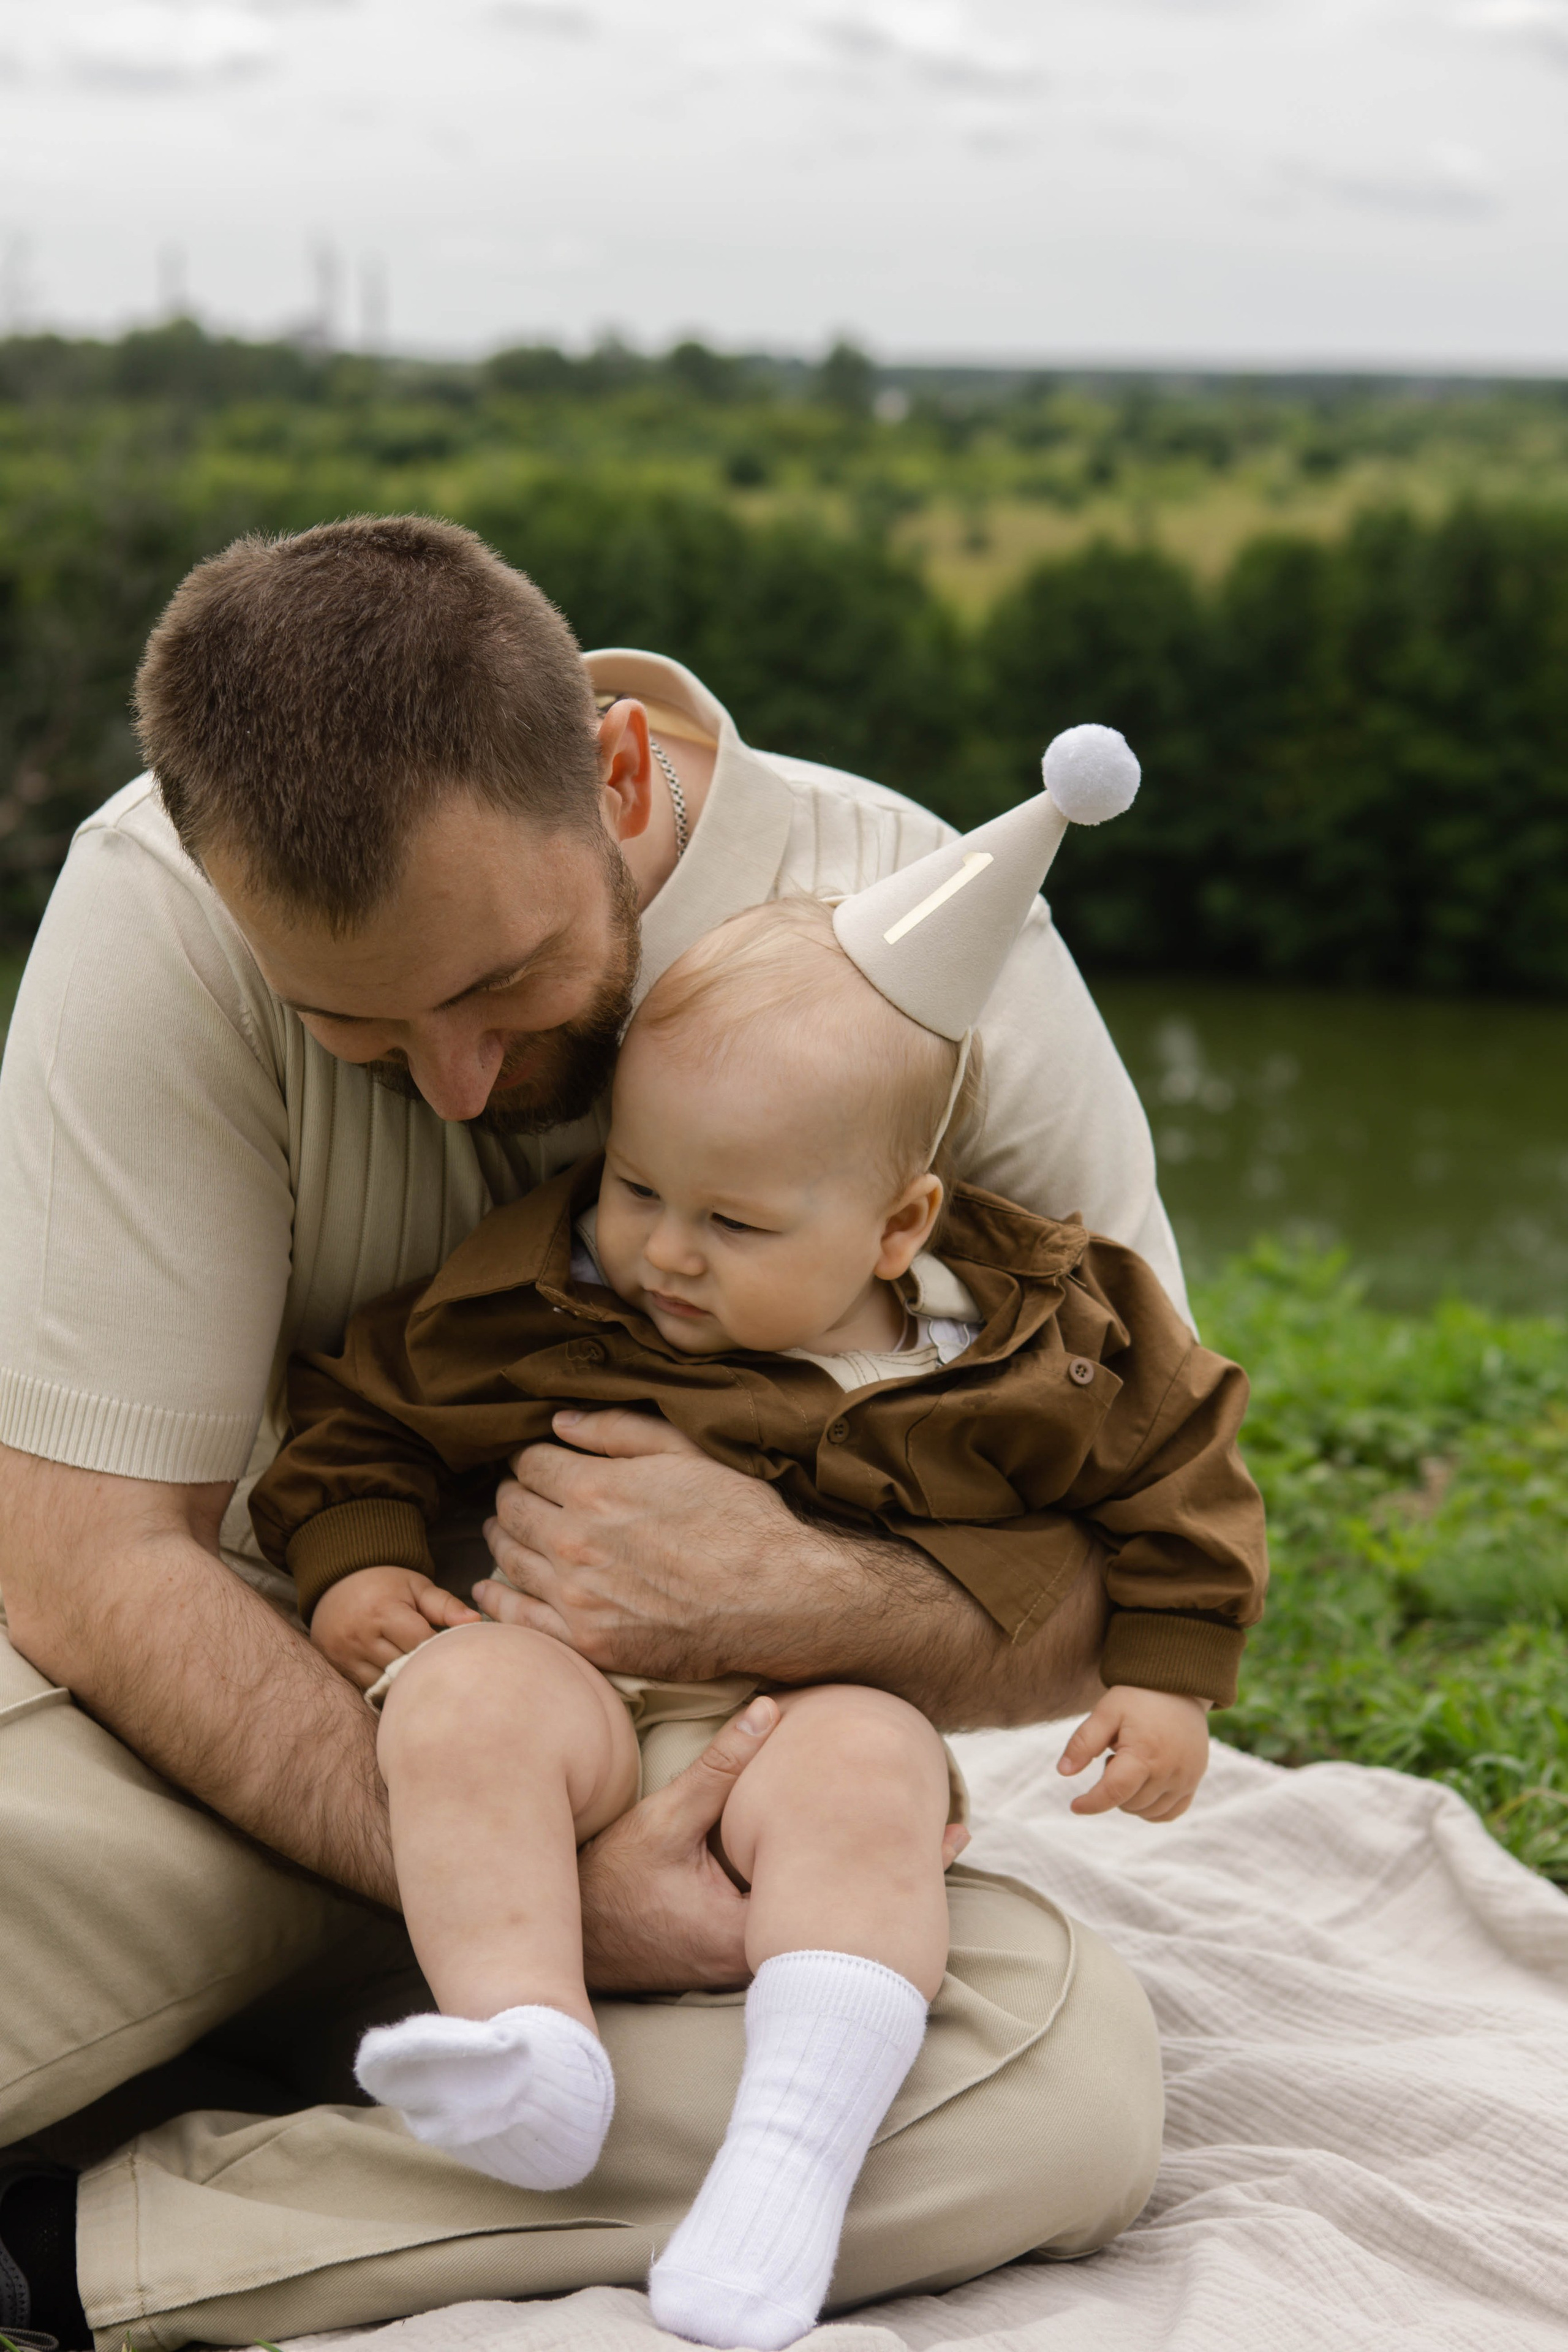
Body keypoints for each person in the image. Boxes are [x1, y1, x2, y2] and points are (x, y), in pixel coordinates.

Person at [0, 516, 1182, 2351]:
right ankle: (383, 2054)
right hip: (236, 1734)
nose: (457, 1084)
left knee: (1049, 2085)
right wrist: (498, 1865)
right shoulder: (162, 903)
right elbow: (89, 1560)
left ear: (618, 770)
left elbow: (1141, 1557)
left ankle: (85, 2239)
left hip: (713, 1792)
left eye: (497, 983)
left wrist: (801, 1596)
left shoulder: (924, 941)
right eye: (351, 1027)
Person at [251, 881, 1267, 2351]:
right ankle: (527, 2045)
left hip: (807, 1714)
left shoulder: (1028, 1342)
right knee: (462, 1701)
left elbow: (1175, 1471)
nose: (665, 1252)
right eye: (636, 1188)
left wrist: (1167, 1673)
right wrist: (354, 1558)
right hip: (569, 1689)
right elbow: (362, 1402)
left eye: (731, 1221)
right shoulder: (540, 1295)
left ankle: (790, 2155)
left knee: (866, 1770)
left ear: (895, 1225)